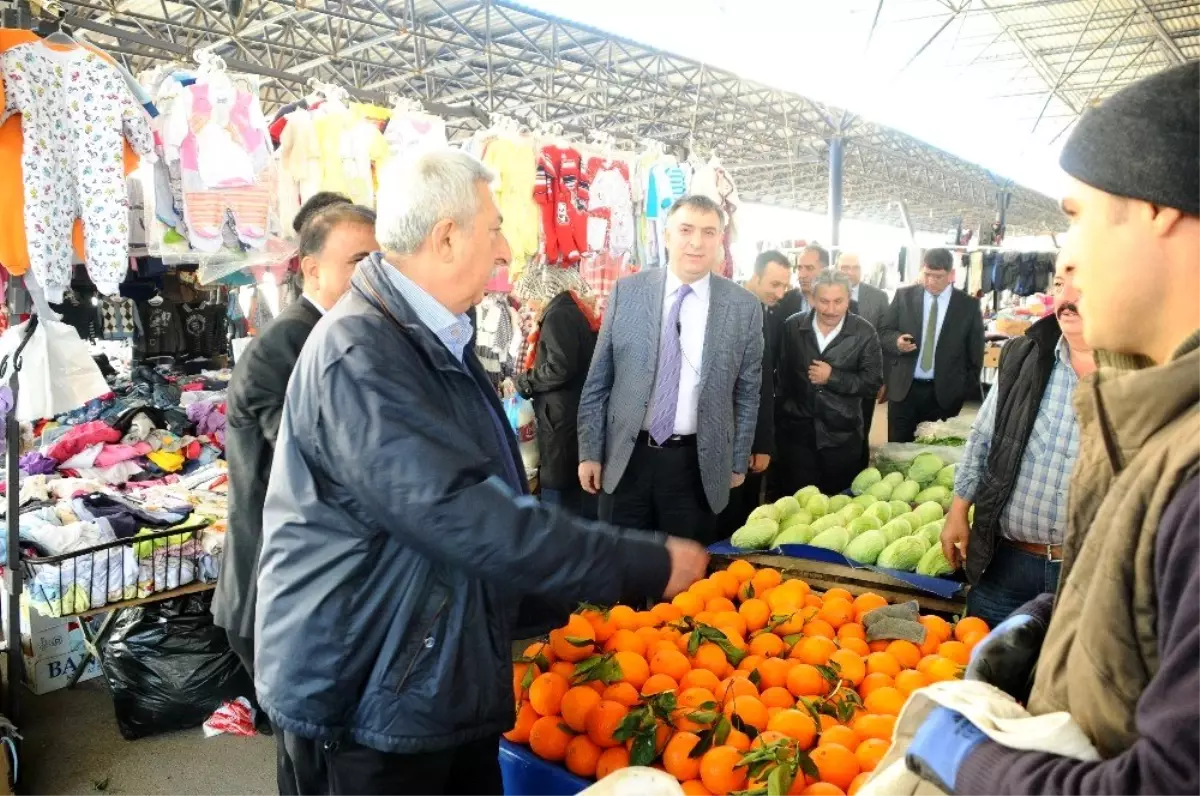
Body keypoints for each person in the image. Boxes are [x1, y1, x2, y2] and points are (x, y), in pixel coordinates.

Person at [254, 150, 709, 796]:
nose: (506, 246)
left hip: (426, 677)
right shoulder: (360, 355)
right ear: (446, 237)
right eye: (495, 227)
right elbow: (466, 513)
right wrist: (643, 564)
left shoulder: (431, 337)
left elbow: (482, 502)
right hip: (369, 696)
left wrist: (573, 609)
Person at [905, 61, 1200, 795]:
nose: (1066, 257)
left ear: (1157, 207)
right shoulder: (1163, 421)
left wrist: (970, 759)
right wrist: (1070, 616)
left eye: (1079, 215)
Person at [213, 197, 375, 692]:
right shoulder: (287, 343)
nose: (373, 275)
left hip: (313, 579)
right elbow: (316, 457)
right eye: (358, 262)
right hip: (278, 586)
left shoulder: (338, 332)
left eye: (380, 262)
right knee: (308, 747)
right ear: (311, 268)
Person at [578, 195, 764, 545]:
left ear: (720, 240)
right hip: (627, 459)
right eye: (686, 230)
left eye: (709, 232)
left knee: (685, 585)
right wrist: (590, 450)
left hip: (697, 466)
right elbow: (598, 382)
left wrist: (738, 458)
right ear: (666, 236)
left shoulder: (744, 307)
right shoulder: (627, 292)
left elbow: (748, 391)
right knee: (622, 577)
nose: (696, 242)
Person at [938, 254, 1094, 629]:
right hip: (1007, 562)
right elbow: (984, 437)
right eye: (1058, 285)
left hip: (1087, 574)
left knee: (1062, 685)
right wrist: (959, 508)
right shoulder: (1025, 356)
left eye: (1080, 285)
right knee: (979, 672)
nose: (1066, 296)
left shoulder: (1137, 373)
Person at [775, 270, 883, 496]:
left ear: (849, 299)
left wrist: (833, 377)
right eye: (824, 301)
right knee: (795, 502)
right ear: (812, 299)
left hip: (841, 437)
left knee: (836, 504)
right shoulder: (793, 327)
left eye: (838, 301)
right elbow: (781, 380)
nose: (831, 309)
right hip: (797, 437)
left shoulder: (864, 332)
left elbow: (872, 383)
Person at [717, 249, 789, 534]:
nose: (781, 293)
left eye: (785, 285)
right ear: (755, 277)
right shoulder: (736, 309)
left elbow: (764, 382)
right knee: (731, 513)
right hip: (729, 433)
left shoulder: (762, 310)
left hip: (743, 435)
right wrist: (758, 442)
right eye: (774, 284)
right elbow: (752, 386)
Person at [516, 276, 601, 518]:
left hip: (561, 419)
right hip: (570, 416)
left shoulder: (558, 316)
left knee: (562, 497)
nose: (529, 305)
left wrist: (526, 381)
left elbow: (559, 367)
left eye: (528, 297)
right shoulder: (573, 311)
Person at [879, 247, 984, 442]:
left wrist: (960, 393)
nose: (931, 282)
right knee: (895, 452)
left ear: (951, 274)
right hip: (904, 391)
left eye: (938, 277)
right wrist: (897, 342)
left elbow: (975, 354)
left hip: (943, 395)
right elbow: (883, 332)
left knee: (933, 452)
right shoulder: (904, 297)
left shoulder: (967, 305)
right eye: (927, 275)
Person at [837, 250, 890, 464]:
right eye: (845, 268)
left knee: (862, 429)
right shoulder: (826, 294)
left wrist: (883, 379)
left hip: (866, 378)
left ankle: (858, 474)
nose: (850, 272)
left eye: (855, 268)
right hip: (833, 377)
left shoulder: (878, 297)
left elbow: (885, 337)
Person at [777, 242, 827, 321]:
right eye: (799, 268)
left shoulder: (843, 304)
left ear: (825, 271)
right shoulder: (783, 302)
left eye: (809, 268)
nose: (801, 275)